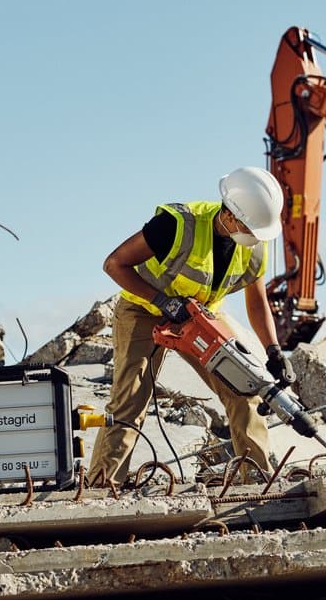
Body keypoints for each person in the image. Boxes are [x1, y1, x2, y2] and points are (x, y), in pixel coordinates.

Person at [86, 166, 296, 487]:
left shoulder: (253, 244)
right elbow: (114, 264)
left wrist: (273, 350)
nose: (256, 236)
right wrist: (161, 301)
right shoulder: (176, 225)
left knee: (245, 387)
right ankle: (102, 488)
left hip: (201, 315)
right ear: (231, 216)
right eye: (251, 228)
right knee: (130, 400)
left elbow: (256, 302)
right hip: (143, 310)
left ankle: (256, 481)